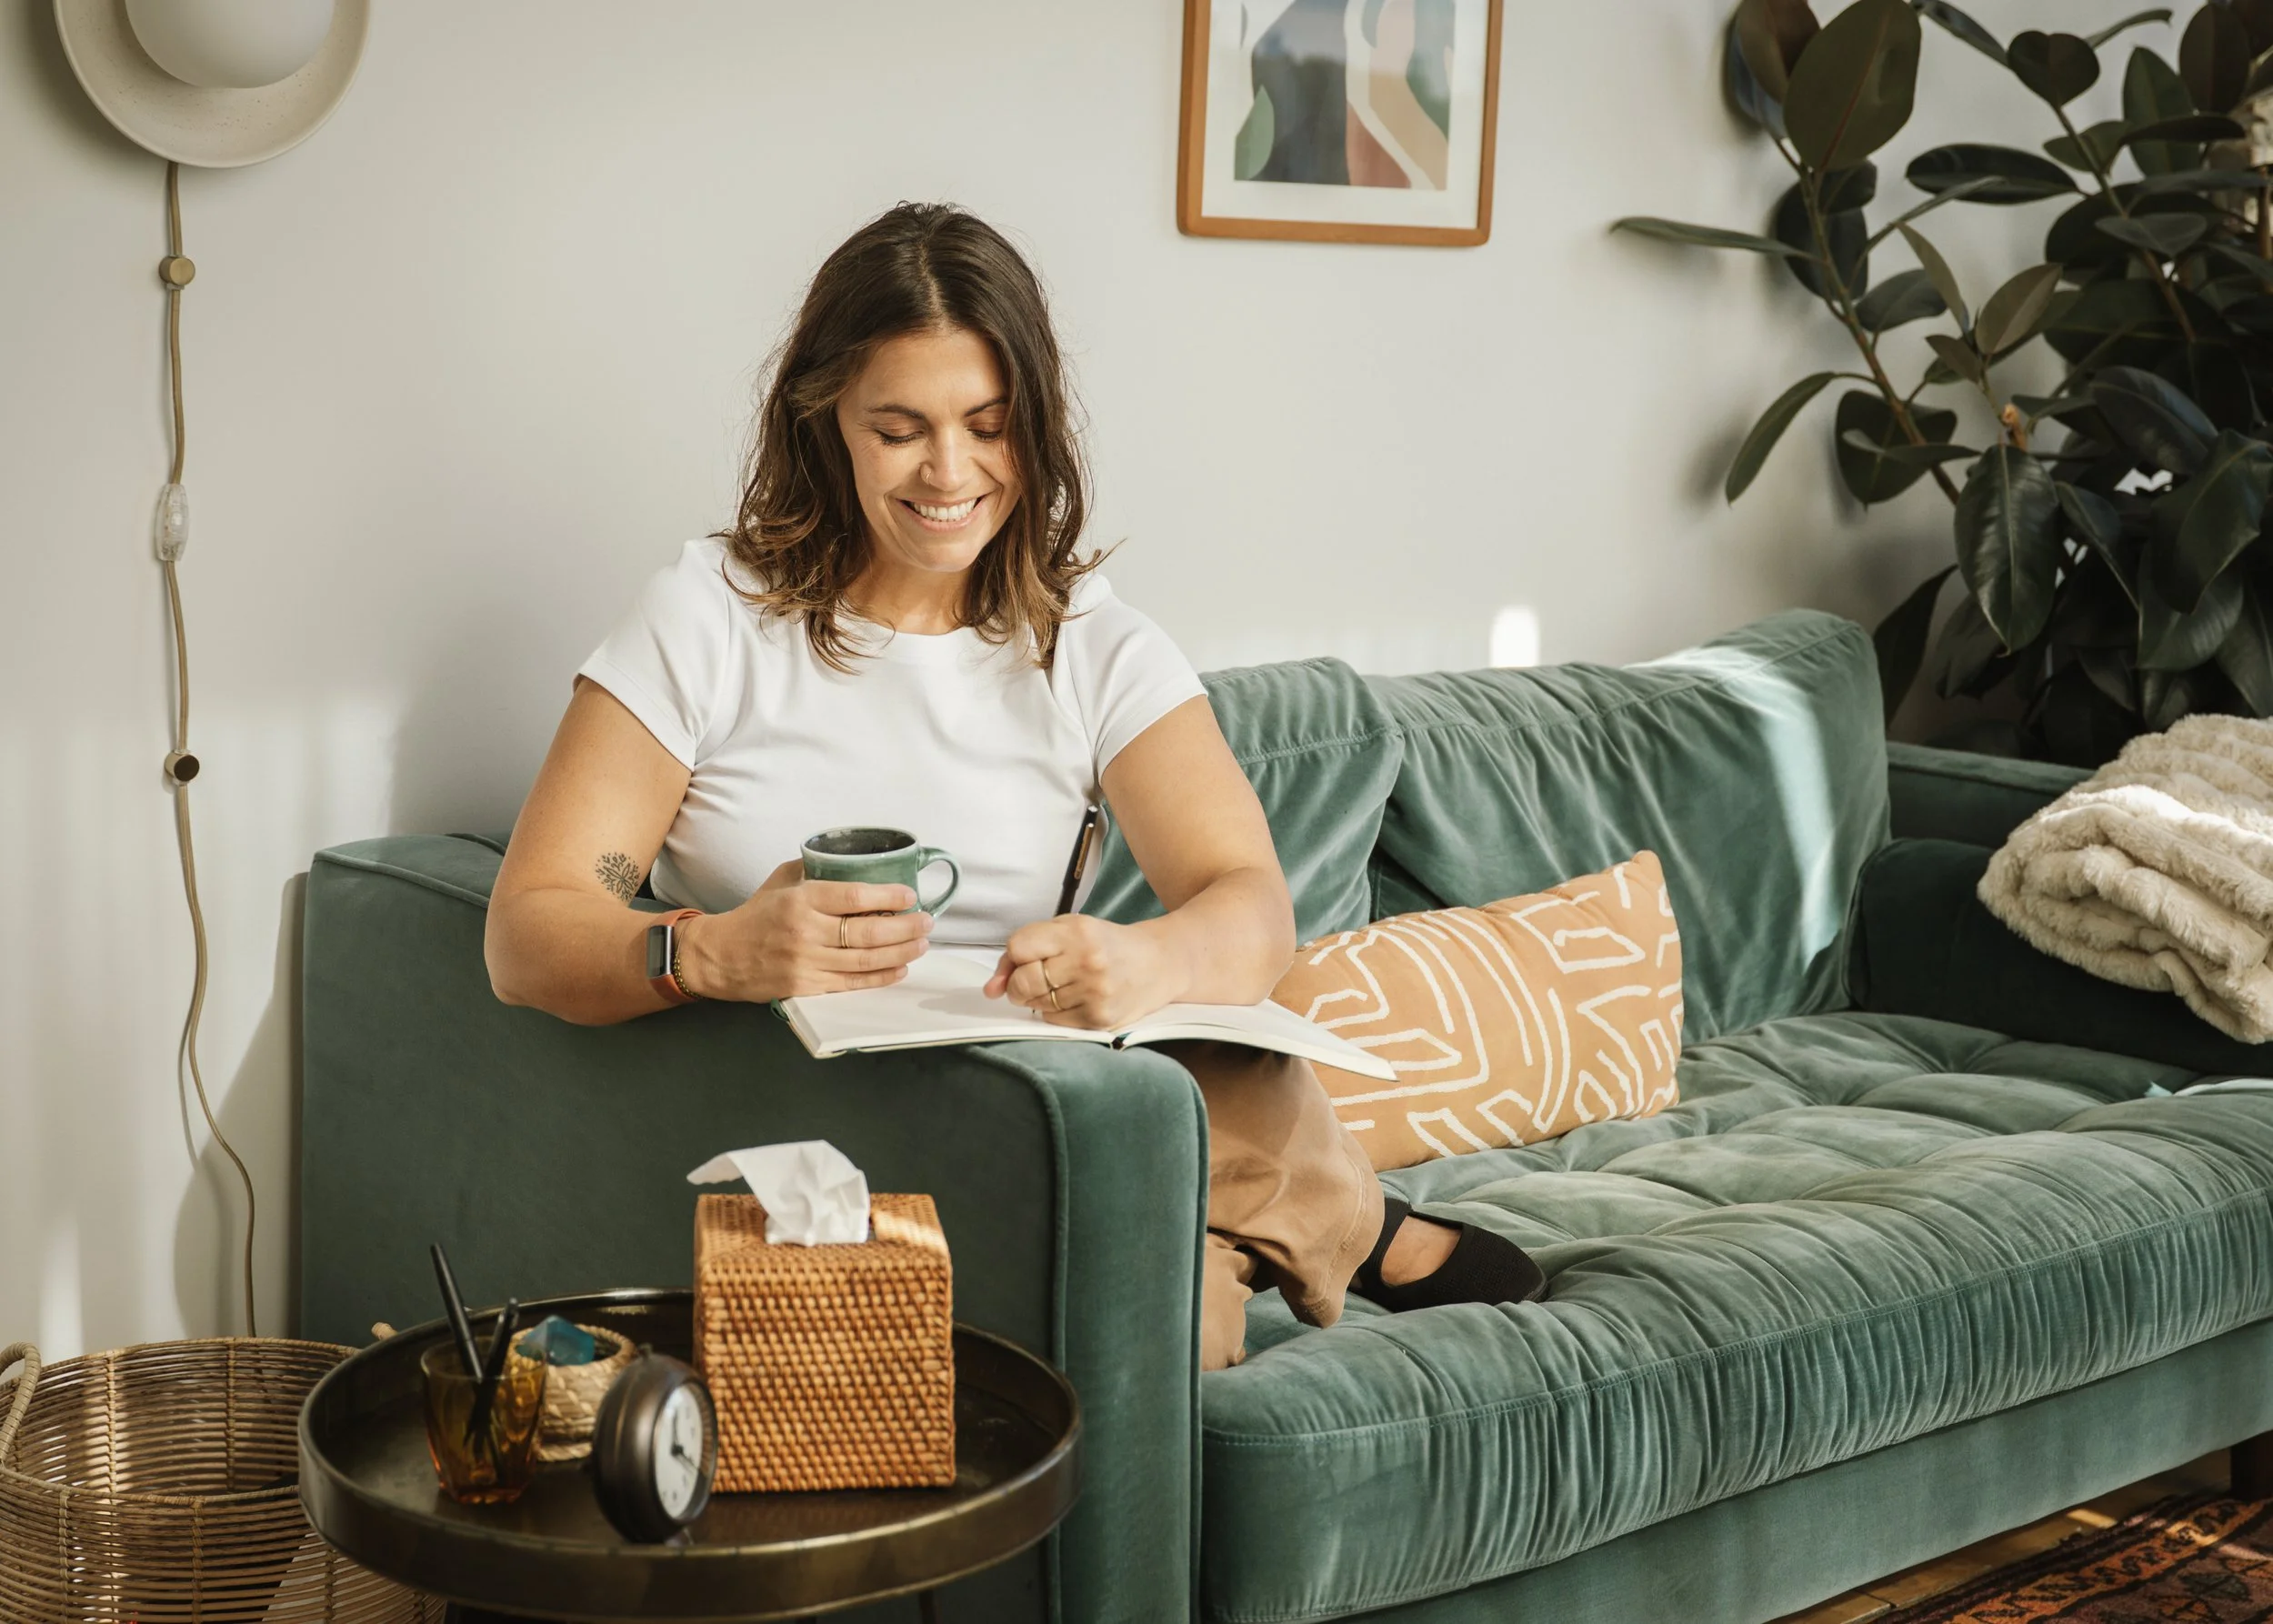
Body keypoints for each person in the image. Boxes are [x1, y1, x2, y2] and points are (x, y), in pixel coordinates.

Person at [483, 203, 1542, 1369]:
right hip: (790, 1117)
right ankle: (1347, 1222)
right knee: (1167, 1246)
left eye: (989, 426)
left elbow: (1246, 901)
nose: (951, 472)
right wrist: (716, 951)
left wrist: (1145, 962)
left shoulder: (1085, 639)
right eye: (899, 429)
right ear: (824, 415)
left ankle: (1240, 1232)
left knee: (1175, 1284)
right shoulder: (707, 619)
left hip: (1031, 1113)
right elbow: (527, 935)